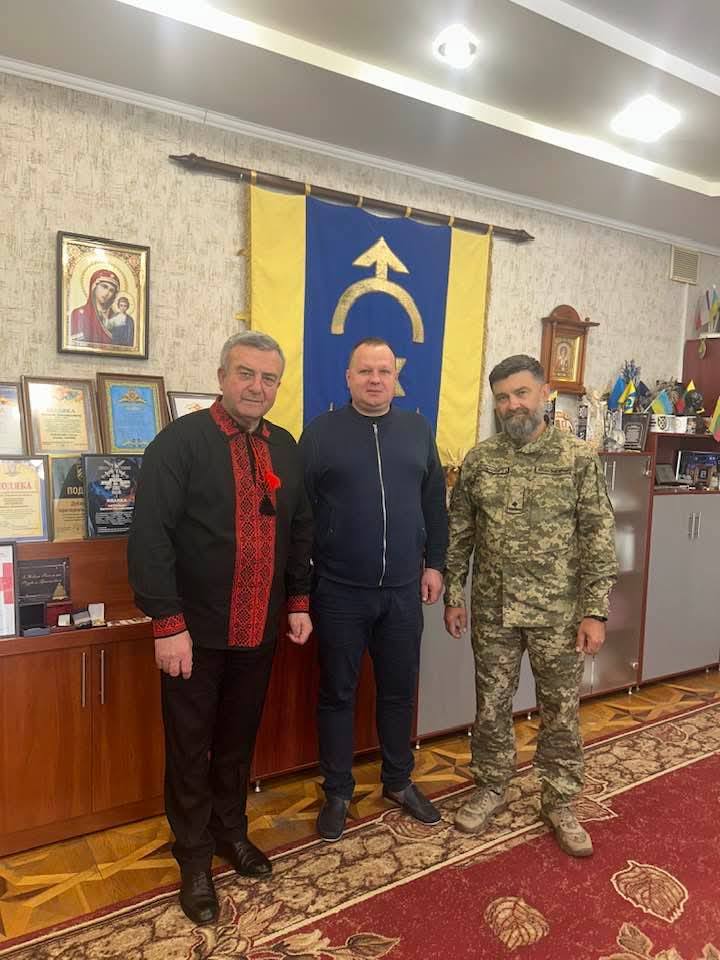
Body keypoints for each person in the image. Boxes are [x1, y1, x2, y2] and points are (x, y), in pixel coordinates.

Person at [128, 331, 312, 925]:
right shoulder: (178, 443)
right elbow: (150, 537)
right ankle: (193, 856)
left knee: (236, 741)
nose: (257, 387)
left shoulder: (285, 447)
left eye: (268, 378)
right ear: (222, 376)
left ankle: (231, 832)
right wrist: (167, 623)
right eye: (245, 373)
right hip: (193, 635)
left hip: (258, 630)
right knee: (190, 748)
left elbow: (300, 528)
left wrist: (298, 601)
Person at [444, 354, 617, 857]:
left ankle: (559, 800)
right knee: (491, 706)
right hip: (494, 611)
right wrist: (454, 595)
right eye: (502, 397)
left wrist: (595, 610)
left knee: (561, 711)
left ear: (545, 394)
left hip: (558, 615)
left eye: (521, 393)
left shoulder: (578, 459)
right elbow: (460, 534)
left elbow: (598, 537)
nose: (512, 404)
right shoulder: (480, 460)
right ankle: (492, 785)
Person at [299, 337, 448, 842]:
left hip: (404, 591)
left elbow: (434, 504)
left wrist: (436, 564)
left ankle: (398, 781)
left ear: (395, 377)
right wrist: (301, 588)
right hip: (339, 591)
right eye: (365, 370)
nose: (375, 379)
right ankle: (338, 791)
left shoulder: (417, 430)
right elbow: (302, 516)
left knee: (399, 692)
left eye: (384, 370)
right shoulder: (320, 434)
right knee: (337, 693)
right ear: (348, 377)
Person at [69, 268, 120, 345]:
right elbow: (77, 344)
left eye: (111, 290)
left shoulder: (116, 319)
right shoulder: (79, 314)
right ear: (94, 287)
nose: (107, 293)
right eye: (104, 287)